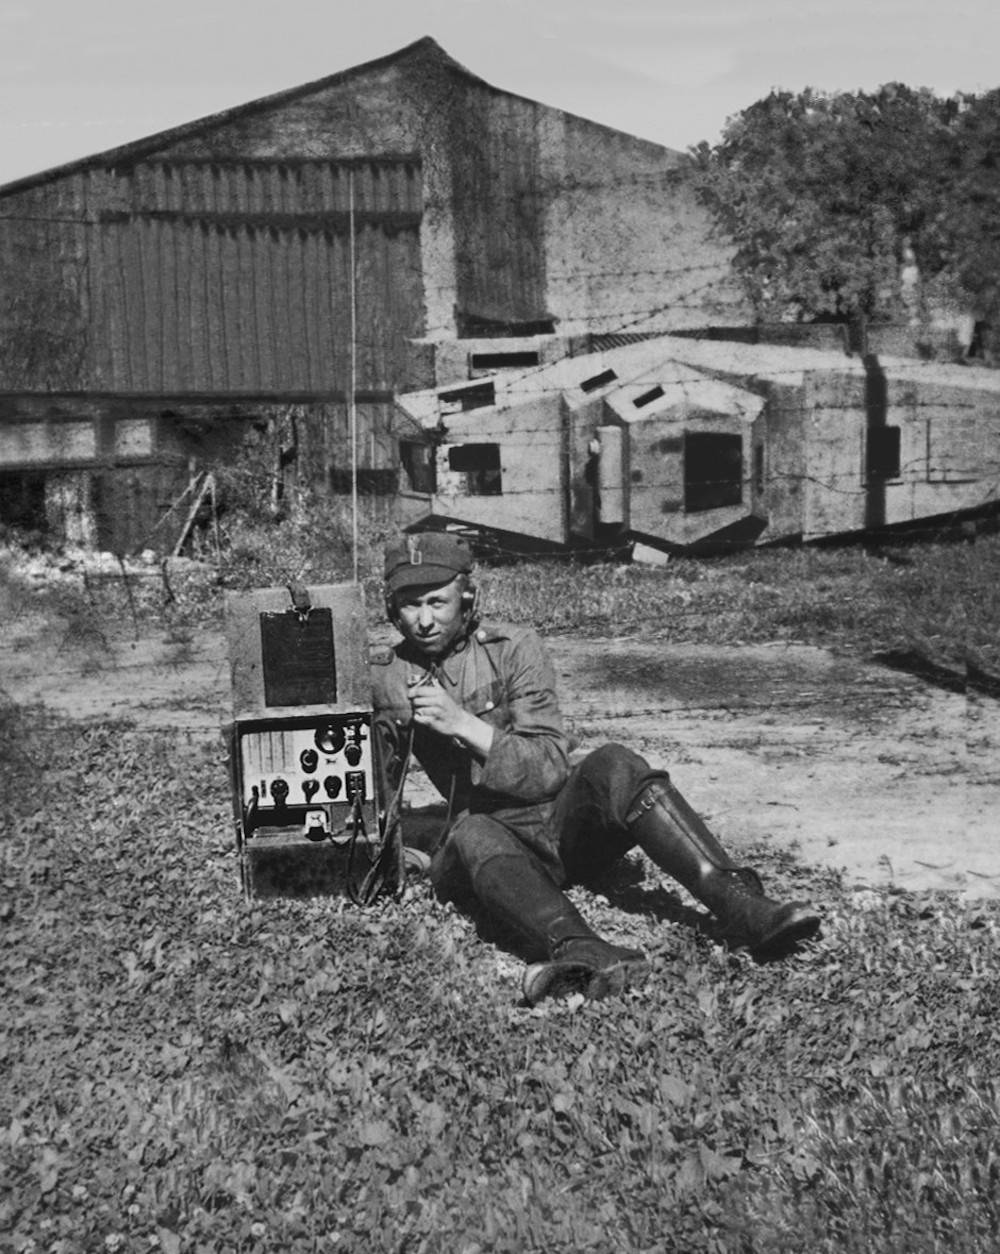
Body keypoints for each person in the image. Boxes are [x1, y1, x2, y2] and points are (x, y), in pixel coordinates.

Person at [370, 531, 821, 1005]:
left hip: (563, 829)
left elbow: (548, 767)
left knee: (616, 763)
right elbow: (375, 790)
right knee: (473, 829)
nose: (422, 621)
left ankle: (738, 903)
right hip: (491, 850)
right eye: (408, 604)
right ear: (390, 608)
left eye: (437, 602)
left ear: (466, 595)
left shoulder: (513, 648)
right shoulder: (385, 676)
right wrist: (396, 852)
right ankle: (582, 950)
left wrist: (463, 724)